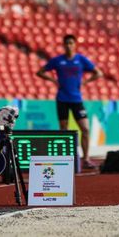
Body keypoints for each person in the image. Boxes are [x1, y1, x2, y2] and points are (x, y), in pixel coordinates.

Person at [36, 34, 103, 169]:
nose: (69, 45)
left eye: (71, 43)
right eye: (66, 43)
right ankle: (65, 159)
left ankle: (86, 158)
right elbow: (40, 72)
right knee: (63, 131)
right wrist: (53, 80)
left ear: (75, 45)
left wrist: (85, 82)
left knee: (85, 128)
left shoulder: (81, 60)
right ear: (63, 45)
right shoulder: (57, 60)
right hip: (62, 99)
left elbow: (98, 73)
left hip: (76, 99)